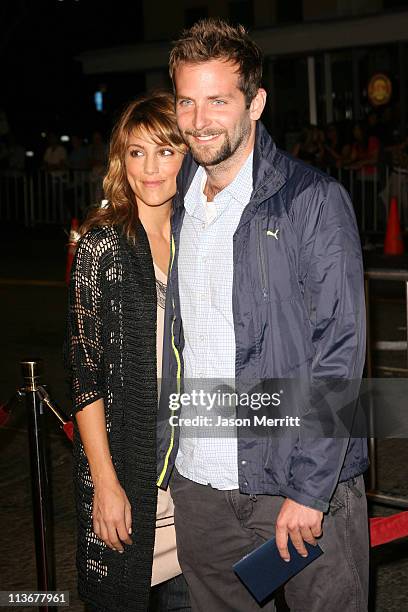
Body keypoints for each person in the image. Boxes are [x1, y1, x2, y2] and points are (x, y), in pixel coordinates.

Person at [157, 18, 369, 612]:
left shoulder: (312, 201)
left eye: (219, 101)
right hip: (201, 490)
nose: (200, 121)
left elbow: (341, 353)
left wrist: (310, 489)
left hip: (297, 486)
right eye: (187, 102)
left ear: (256, 103)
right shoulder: (175, 210)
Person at [66, 92, 190, 612]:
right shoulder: (105, 245)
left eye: (165, 150)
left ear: (187, 155)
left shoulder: (199, 238)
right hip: (129, 481)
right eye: (136, 153)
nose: (151, 168)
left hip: (193, 488)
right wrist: (105, 484)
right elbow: (84, 373)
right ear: (121, 160)